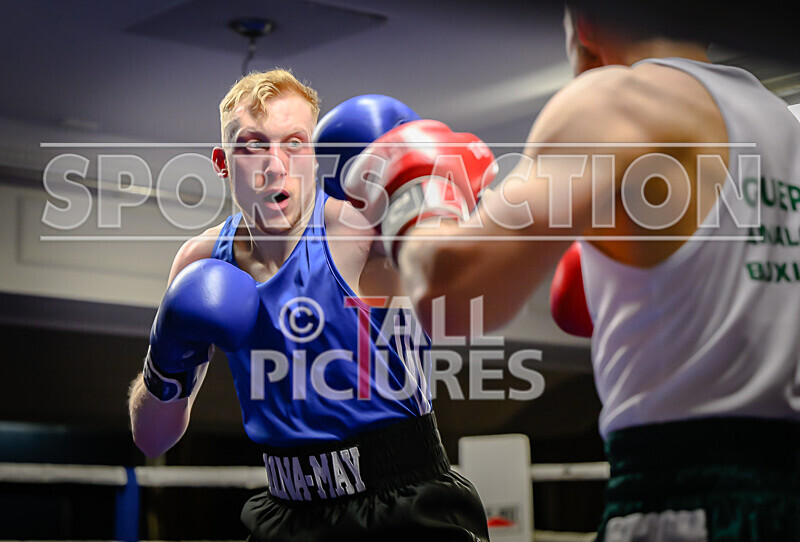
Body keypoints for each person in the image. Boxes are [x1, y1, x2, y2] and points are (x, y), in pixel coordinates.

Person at [340, 5, 800, 541]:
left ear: (586, 23)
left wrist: (416, 195)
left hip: (686, 500)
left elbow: (450, 298)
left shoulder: (617, 101)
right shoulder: (781, 125)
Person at [127, 70, 489, 542]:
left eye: (294, 143)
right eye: (253, 144)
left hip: (403, 500)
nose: (274, 165)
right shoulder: (199, 261)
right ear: (222, 162)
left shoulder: (362, 235)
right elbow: (152, 437)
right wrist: (165, 352)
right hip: (286, 512)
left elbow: (461, 299)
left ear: (315, 158)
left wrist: (440, 197)